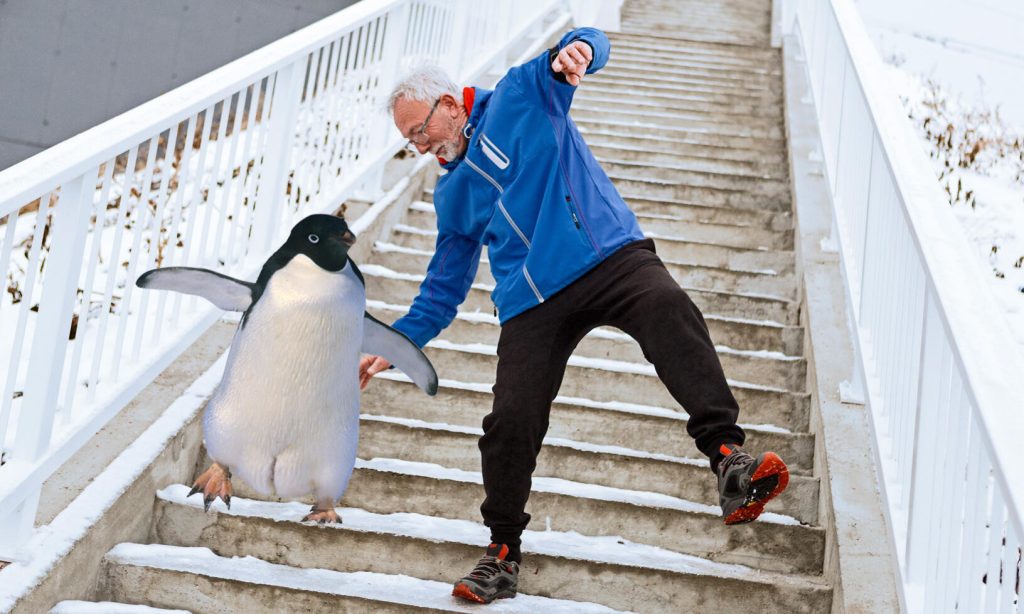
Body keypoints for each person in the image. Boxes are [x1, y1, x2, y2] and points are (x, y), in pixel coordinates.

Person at [360, 27, 790, 605]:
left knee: (669, 309)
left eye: (420, 131)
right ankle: (502, 553)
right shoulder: (451, 196)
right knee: (510, 419)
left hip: (607, 253)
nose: (420, 147)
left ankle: (728, 460)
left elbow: (581, 47)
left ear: (448, 103)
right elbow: (441, 292)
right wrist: (398, 343)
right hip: (532, 300)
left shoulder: (520, 94)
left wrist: (581, 48)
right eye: (409, 140)